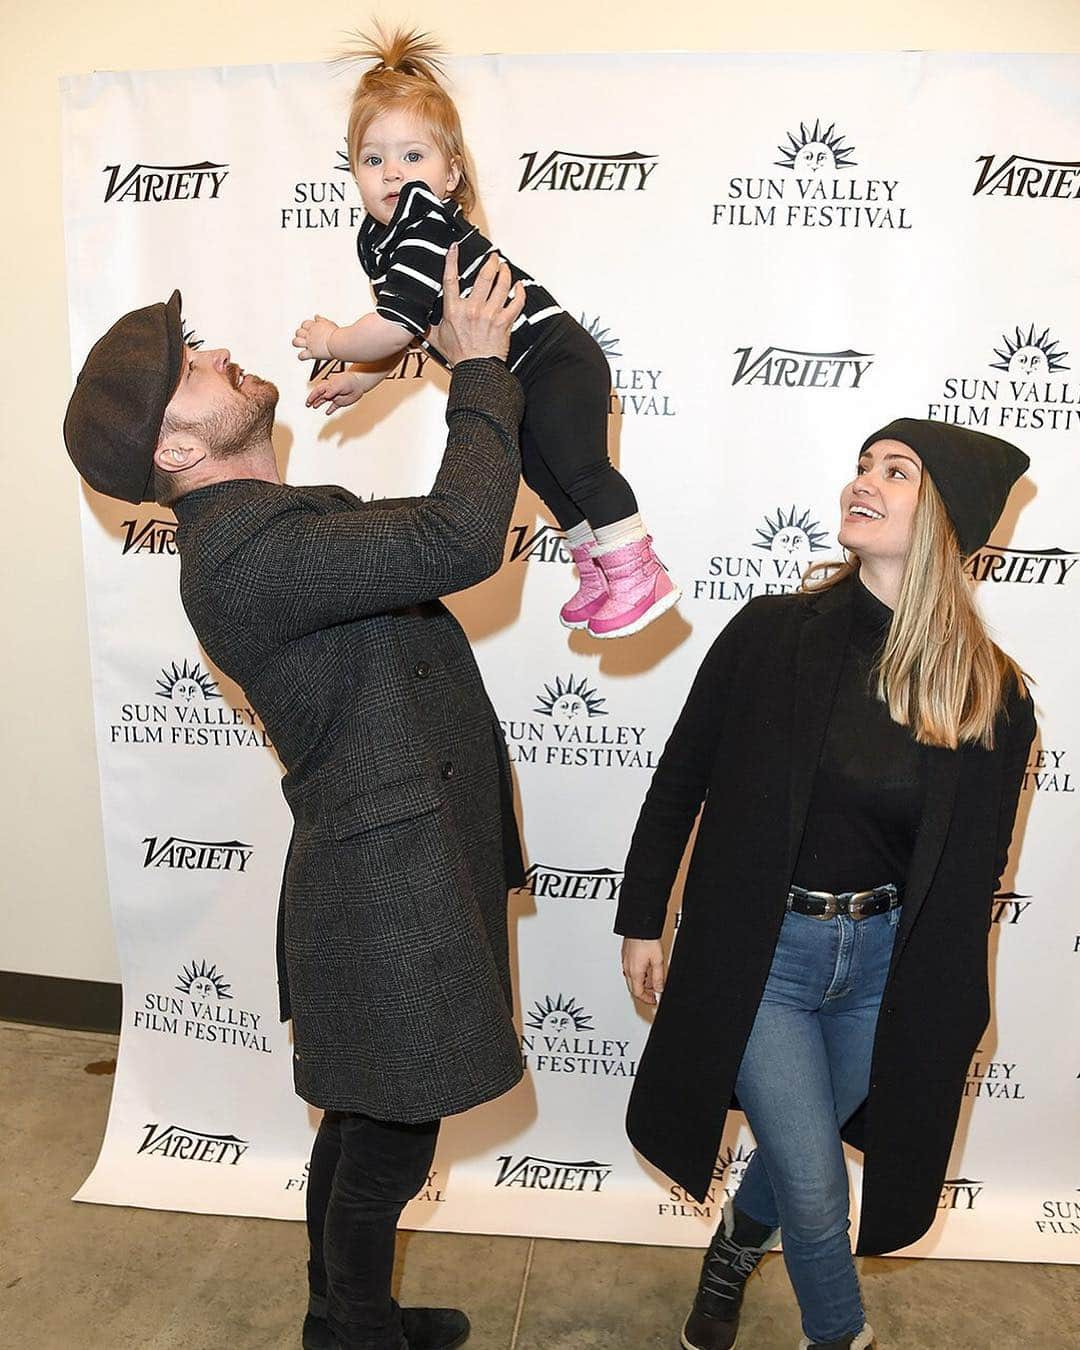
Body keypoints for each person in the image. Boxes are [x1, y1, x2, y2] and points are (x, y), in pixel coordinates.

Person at [64, 250, 528, 1350]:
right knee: (391, 1139)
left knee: (364, 1118)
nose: (217, 349)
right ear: (176, 448)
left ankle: (342, 1316)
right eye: (191, 364)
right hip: (387, 884)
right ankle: (355, 1331)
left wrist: (395, 358)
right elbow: (458, 537)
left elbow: (410, 544)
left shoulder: (270, 527)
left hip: (395, 863)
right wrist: (481, 368)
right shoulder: (245, 557)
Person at [616, 420, 1035, 1350]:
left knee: (800, 1150)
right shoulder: (773, 633)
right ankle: (840, 1334)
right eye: (862, 465)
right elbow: (683, 773)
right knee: (814, 1183)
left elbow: (977, 872)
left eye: (898, 472)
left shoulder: (991, 692)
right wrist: (642, 917)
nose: (864, 482)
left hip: (885, 970)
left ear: (948, 517)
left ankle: (732, 1247)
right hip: (766, 958)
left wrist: (953, 1000)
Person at [291, 25, 680, 640]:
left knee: (578, 468)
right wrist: (366, 379)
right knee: (542, 474)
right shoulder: (378, 238)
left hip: (553, 359)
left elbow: (391, 324)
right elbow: (414, 324)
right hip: (516, 373)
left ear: (451, 176)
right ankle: (599, 568)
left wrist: (335, 341)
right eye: (373, 159)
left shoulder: (423, 218)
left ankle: (638, 569)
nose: (392, 172)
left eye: (412, 156)